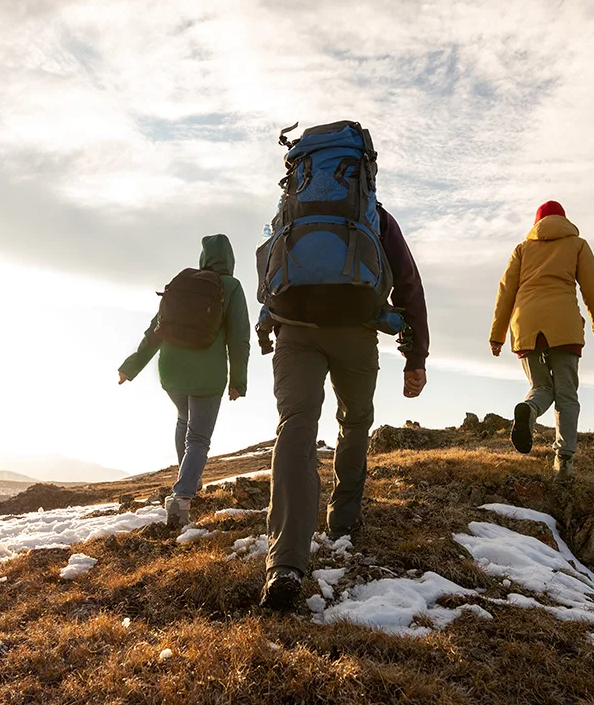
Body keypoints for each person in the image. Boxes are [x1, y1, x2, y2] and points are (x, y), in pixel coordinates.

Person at [261, 210, 429, 612]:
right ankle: (343, 521)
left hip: (294, 329)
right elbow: (408, 283)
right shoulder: (371, 214)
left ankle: (285, 565)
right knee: (354, 421)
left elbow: (268, 271)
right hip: (356, 330)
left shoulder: (290, 209)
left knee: (296, 426)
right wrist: (415, 355)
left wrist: (269, 322)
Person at [118, 234, 250, 528]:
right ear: (230, 260)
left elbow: (155, 329)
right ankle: (182, 497)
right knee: (199, 438)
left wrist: (132, 366)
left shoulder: (183, 284)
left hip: (172, 372)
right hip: (208, 376)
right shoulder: (231, 287)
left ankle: (189, 479)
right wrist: (239, 380)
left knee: (183, 420)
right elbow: (239, 339)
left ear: (204, 258)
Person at [489, 199, 594, 478]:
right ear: (564, 220)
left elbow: (506, 291)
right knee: (567, 394)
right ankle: (564, 461)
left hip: (526, 324)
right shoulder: (577, 245)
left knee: (541, 386)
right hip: (564, 325)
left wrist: (497, 335)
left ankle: (530, 410)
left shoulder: (523, 248)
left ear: (537, 224)